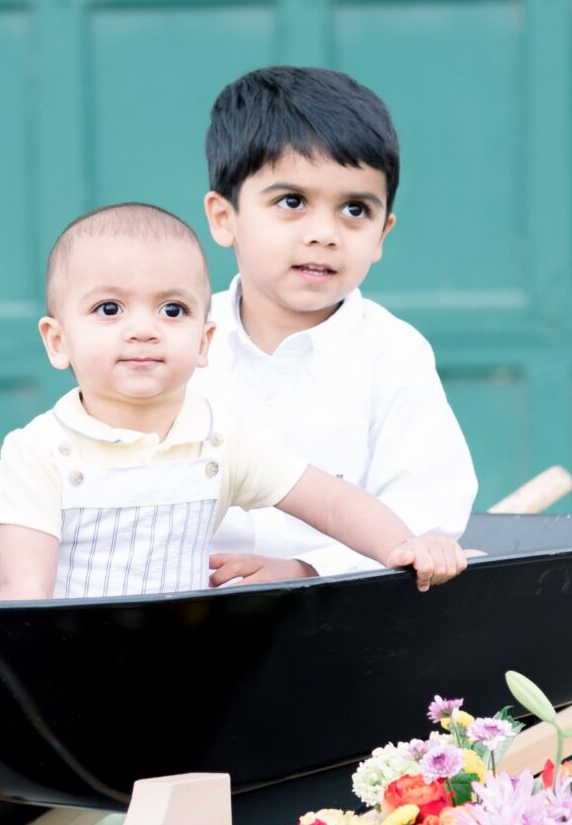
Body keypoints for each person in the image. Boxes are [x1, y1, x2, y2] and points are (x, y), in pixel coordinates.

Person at [0, 202, 467, 601]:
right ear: (57, 341)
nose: (144, 330)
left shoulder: (218, 440)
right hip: (64, 657)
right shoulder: (39, 453)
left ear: (205, 339)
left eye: (173, 309)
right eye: (109, 309)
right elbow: (24, 596)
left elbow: (332, 503)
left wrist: (401, 545)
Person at [192, 66, 477, 588]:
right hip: (185, 614)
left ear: (382, 232)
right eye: (292, 202)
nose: (324, 234)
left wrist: (307, 570)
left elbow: (427, 514)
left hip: (346, 613)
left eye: (354, 209)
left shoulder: (392, 354)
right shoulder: (177, 343)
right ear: (223, 216)